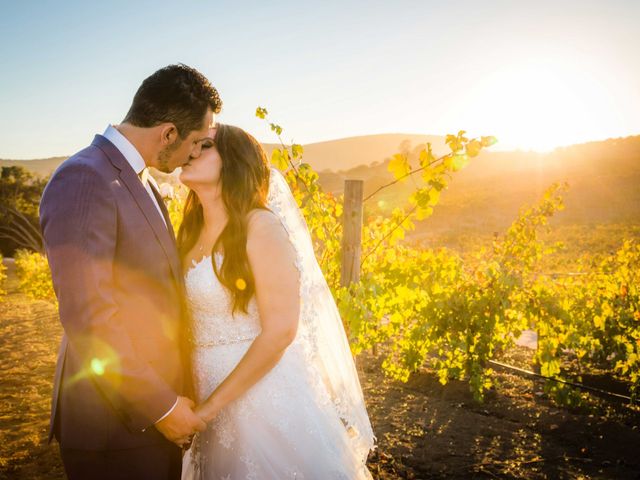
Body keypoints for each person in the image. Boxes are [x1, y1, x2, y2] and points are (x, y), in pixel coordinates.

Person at [39, 64, 222, 480]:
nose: (194, 154)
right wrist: (161, 406)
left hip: (144, 423)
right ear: (169, 133)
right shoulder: (85, 178)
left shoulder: (142, 181)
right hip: (114, 427)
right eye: (195, 142)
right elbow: (89, 318)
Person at [178, 124, 375, 479]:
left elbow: (281, 331)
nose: (189, 151)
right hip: (201, 392)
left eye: (204, 145)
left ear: (235, 162)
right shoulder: (188, 230)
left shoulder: (260, 226)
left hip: (262, 399)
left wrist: (209, 410)